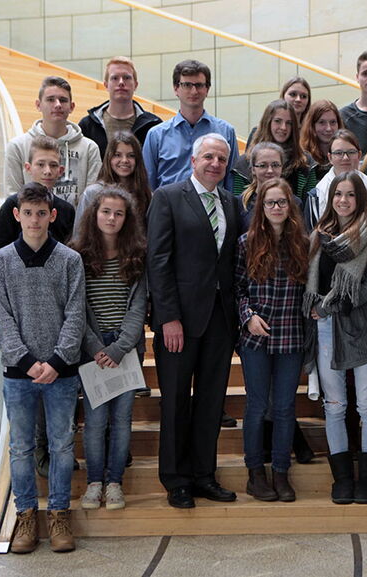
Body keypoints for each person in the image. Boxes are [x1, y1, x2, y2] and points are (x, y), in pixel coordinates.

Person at [146, 133, 241, 509]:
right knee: (175, 403)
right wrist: (167, 317)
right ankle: (176, 480)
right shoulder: (168, 198)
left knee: (210, 401)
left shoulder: (231, 204)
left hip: (220, 320)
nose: (215, 163)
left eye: (221, 158)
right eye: (208, 157)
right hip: (179, 322)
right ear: (193, 160)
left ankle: (204, 475)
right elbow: (158, 260)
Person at [0, 182, 85, 554]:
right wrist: (29, 363)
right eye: (27, 213)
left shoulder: (69, 260)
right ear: (17, 215)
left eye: (40, 213)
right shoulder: (1, 262)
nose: (34, 220)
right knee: (21, 448)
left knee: (62, 446)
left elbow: (75, 316)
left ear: (52, 215)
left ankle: (60, 514)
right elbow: (2, 317)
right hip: (19, 374)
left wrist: (57, 361)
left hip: (61, 372)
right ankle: (26, 515)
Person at [304, 171, 367, 505]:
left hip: (362, 326)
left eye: (351, 195)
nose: (343, 201)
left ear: (361, 199)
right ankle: (342, 479)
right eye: (338, 194)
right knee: (335, 405)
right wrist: (321, 310)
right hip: (326, 329)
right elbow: (312, 283)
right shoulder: (318, 237)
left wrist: (329, 307)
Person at [70, 187, 147, 512]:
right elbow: (76, 307)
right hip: (93, 347)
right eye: (106, 212)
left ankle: (114, 482)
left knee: (122, 419)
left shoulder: (137, 254)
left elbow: (139, 306)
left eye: (118, 213)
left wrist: (119, 348)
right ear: (94, 214)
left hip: (125, 348)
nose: (112, 218)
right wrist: (96, 346)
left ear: (127, 218)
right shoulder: (78, 256)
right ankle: (94, 483)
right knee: (96, 420)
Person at [235, 178, 309, 503]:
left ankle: (281, 471)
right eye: (270, 203)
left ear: (290, 207)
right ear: (261, 208)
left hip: (291, 336)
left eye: (281, 203)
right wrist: (247, 316)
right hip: (257, 338)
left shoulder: (303, 244)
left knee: (284, 407)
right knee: (256, 406)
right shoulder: (245, 243)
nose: (276, 208)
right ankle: (256, 474)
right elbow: (237, 289)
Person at [142, 60, 239, 192]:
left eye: (199, 85)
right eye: (187, 85)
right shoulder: (156, 135)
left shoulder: (226, 131)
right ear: (176, 88)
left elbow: (232, 183)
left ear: (207, 89)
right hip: (170, 209)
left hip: (212, 208)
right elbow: (147, 184)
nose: (194, 91)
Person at [4, 76, 101, 206]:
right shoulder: (17, 146)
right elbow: (12, 198)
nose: (57, 105)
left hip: (74, 226)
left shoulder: (90, 148)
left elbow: (91, 201)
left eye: (63, 100)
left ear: (71, 107)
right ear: (38, 105)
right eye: (50, 100)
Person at [0, 136, 75, 258]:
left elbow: (68, 254)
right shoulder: (12, 204)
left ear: (60, 171)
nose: (47, 171)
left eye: (53, 165)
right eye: (40, 164)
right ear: (28, 168)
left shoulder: (67, 210)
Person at [303, 129, 367, 231]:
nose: (345, 158)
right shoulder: (315, 197)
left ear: (359, 155)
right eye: (338, 153)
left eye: (351, 152)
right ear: (330, 157)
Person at [79, 56, 162, 158]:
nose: (121, 82)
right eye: (115, 78)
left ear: (135, 85)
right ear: (106, 85)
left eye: (127, 78)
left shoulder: (153, 125)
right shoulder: (87, 126)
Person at [233, 100, 315, 200]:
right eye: (278, 121)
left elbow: (309, 206)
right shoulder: (244, 163)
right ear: (267, 122)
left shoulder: (305, 162)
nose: (283, 127)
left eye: (289, 123)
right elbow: (238, 205)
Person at [74, 131, 152, 236]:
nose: (124, 160)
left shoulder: (146, 196)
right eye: (117, 155)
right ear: (109, 158)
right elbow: (79, 235)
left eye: (131, 155)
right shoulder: (92, 193)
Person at [246, 76, 312, 148]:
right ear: (283, 96)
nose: (298, 99)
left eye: (303, 96)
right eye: (293, 94)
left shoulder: (311, 133)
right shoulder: (259, 132)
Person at [300, 99, 344, 182]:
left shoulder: (346, 156)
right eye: (322, 122)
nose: (328, 128)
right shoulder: (302, 159)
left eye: (333, 122)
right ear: (312, 126)